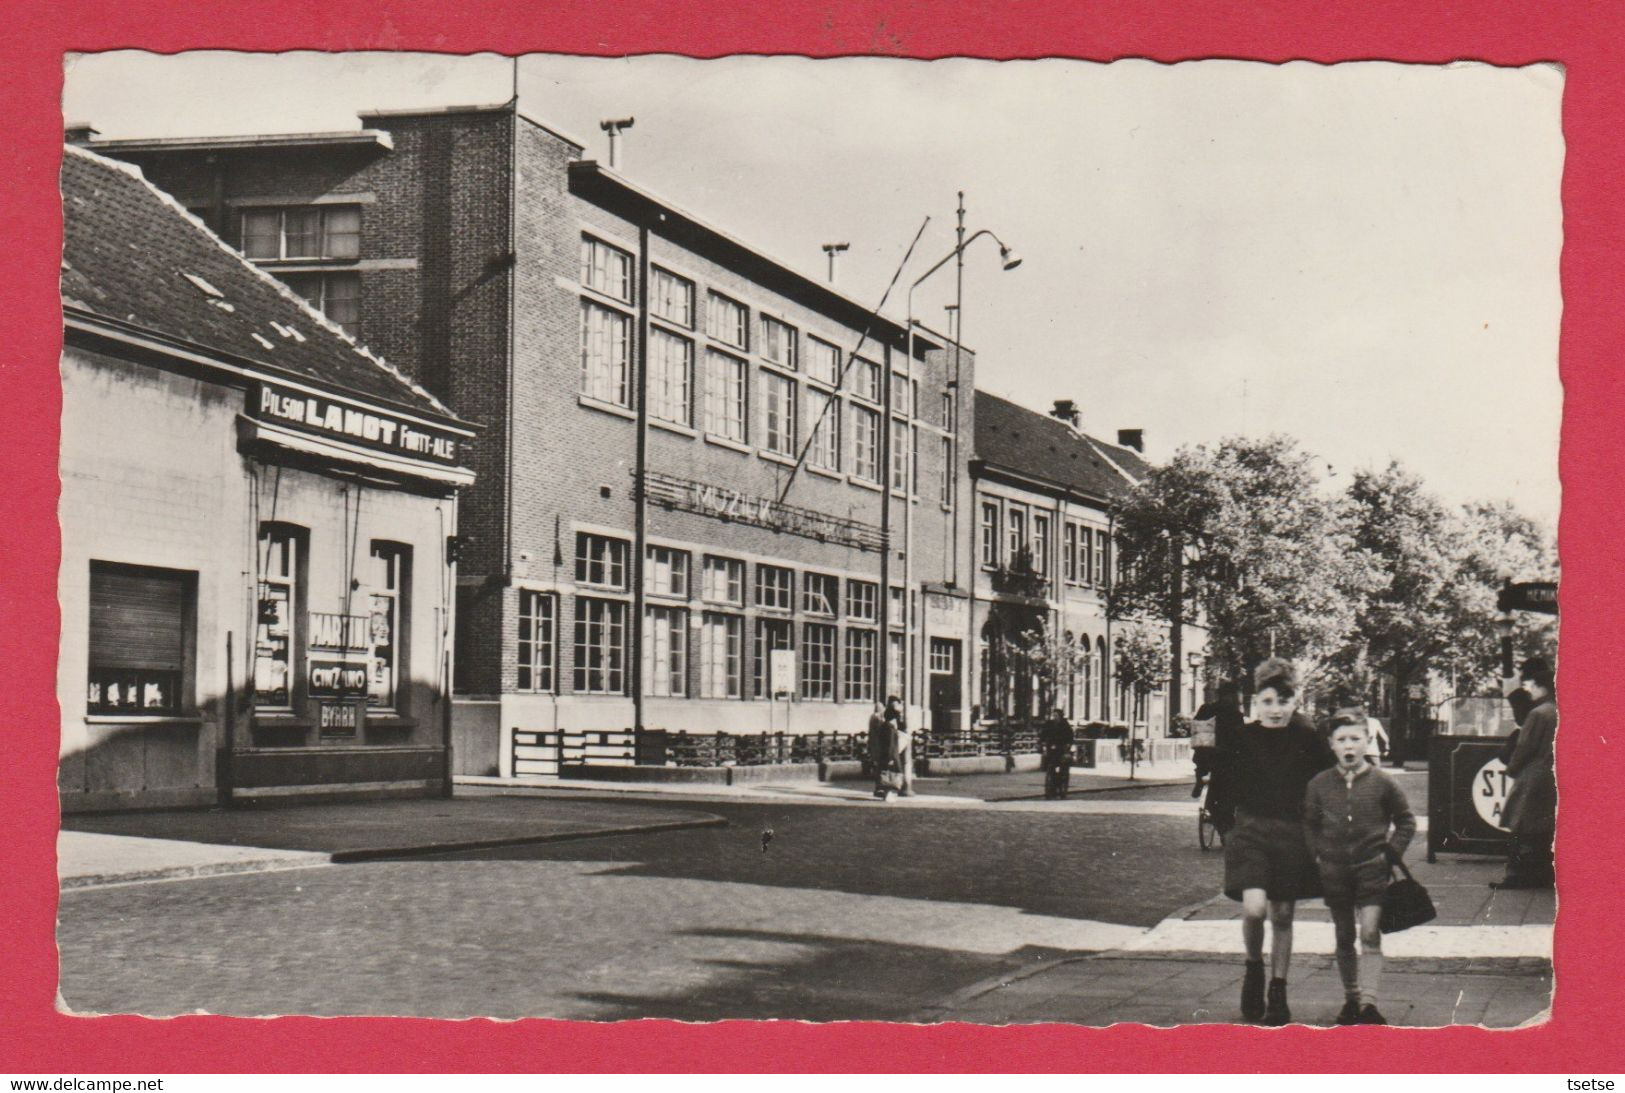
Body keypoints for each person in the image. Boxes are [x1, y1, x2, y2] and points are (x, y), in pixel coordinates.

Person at [1209, 657, 1336, 1025]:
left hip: (1292, 836)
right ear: (1255, 703)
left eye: (1283, 701)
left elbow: (1327, 785)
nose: (1275, 710)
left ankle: (1278, 988)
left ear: (1294, 703)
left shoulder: (1307, 739)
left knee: (1283, 914)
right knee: (1254, 909)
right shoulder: (1241, 738)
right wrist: (1229, 831)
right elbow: (1219, 790)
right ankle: (1253, 969)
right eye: (1267, 702)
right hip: (1250, 834)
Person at [1304, 709, 1418, 1025]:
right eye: (1342, 740)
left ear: (1368, 741)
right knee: (1343, 935)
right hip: (1335, 873)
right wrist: (1318, 856)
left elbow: (1406, 821)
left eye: (1355, 738)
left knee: (1369, 932)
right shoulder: (1319, 784)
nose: (1349, 746)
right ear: (1331, 744)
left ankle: (1369, 1002)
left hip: (1372, 870)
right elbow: (1309, 824)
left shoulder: (1383, 782)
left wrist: (1390, 854)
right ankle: (1351, 999)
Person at [1495, 657, 1556, 889]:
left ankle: (1516, 876)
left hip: (1533, 776)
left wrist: (1511, 769)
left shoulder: (1539, 713)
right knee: (1544, 829)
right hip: (1552, 777)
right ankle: (1543, 875)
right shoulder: (1561, 710)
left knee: (1520, 826)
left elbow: (1524, 747)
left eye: (1532, 686)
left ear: (1541, 687)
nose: (1528, 689)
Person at [1191, 681, 1244, 835]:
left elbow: (1196, 731)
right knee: (1231, 785)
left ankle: (1199, 778)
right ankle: (1225, 821)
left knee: (1203, 763)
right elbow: (1240, 740)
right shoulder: (1235, 714)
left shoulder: (1206, 709)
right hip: (1225, 759)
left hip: (1205, 757)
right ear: (1232, 695)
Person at [1039, 706, 1075, 799]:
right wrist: (1042, 742)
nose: (1054, 717)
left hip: (1061, 749)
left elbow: (1070, 737)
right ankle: (1051, 787)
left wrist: (1067, 746)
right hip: (1051, 748)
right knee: (1050, 767)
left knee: (1063, 768)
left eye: (1056, 715)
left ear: (1060, 716)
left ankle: (1062, 787)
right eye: (1053, 715)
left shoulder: (1065, 725)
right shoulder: (1049, 724)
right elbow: (1043, 734)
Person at [867, 701, 898, 800]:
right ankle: (881, 788)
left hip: (874, 745)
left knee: (878, 767)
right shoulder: (879, 719)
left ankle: (879, 788)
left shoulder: (872, 717)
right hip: (879, 746)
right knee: (883, 769)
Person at [886, 695, 915, 798]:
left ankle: (896, 788)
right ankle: (899, 788)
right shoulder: (893, 717)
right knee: (897, 767)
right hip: (897, 743)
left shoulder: (890, 715)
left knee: (895, 767)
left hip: (896, 742)